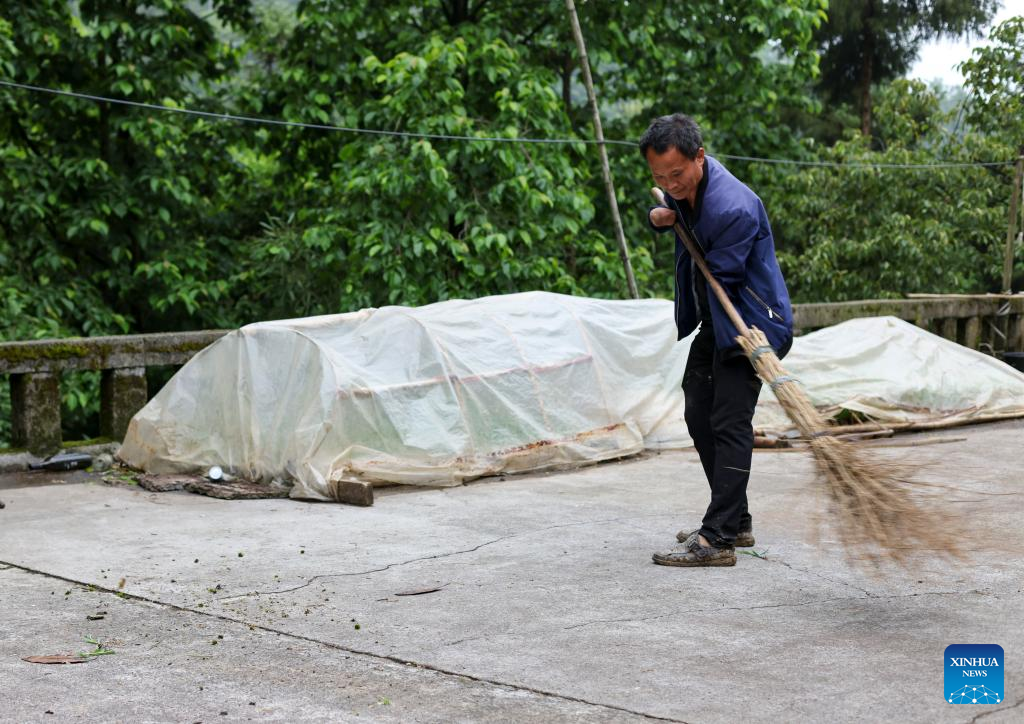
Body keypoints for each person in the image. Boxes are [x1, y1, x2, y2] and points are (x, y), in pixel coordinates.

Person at [640, 114, 793, 567]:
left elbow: (721, 277)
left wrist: (678, 219)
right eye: (660, 176)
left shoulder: (733, 208)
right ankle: (736, 519)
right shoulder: (684, 184)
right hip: (718, 320)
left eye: (677, 174)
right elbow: (671, 210)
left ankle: (719, 537)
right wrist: (660, 216)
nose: (670, 182)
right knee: (697, 406)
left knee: (728, 419)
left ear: (699, 157)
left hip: (750, 324)